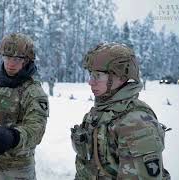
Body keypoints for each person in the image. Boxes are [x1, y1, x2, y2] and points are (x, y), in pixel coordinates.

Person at [71, 42, 170, 180]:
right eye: (91, 75)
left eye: (98, 76)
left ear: (121, 76)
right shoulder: (100, 112)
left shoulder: (135, 123)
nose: (90, 82)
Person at [0, 33, 49, 180]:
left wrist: (13, 137)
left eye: (16, 59)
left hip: (17, 170)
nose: (10, 64)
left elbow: (36, 130)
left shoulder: (33, 92)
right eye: (7, 58)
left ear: (26, 61)